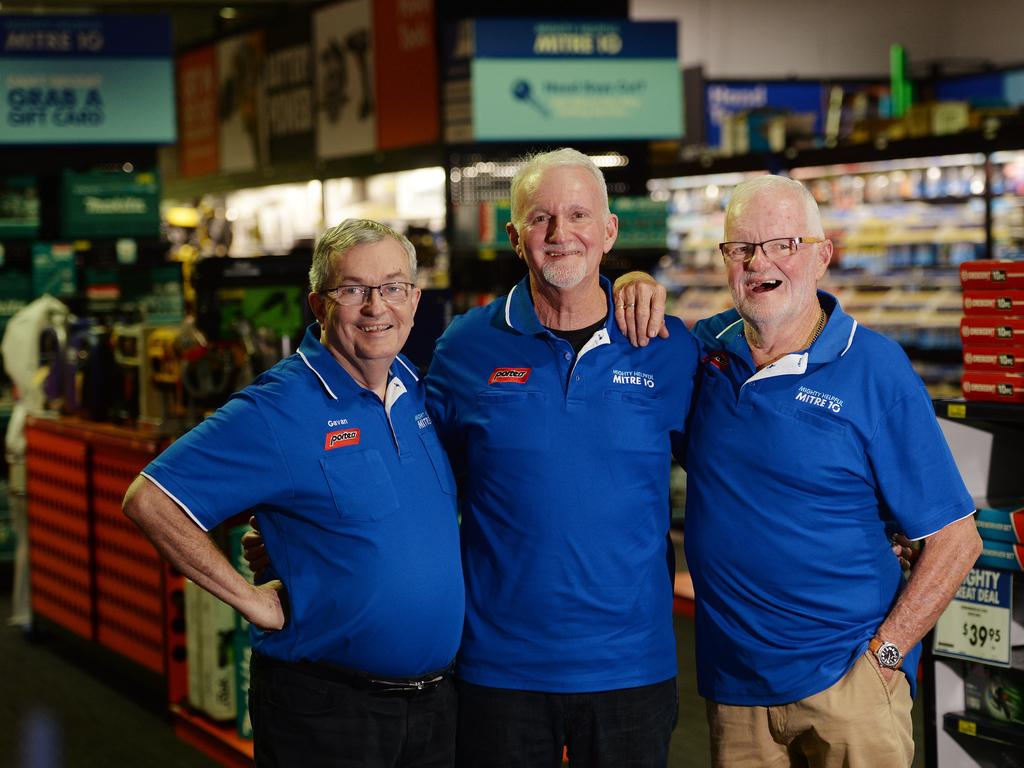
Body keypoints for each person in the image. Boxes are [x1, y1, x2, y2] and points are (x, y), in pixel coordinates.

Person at [622, 174, 982, 768]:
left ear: (821, 256)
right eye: (742, 248)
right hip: (735, 691)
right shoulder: (707, 352)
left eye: (783, 244)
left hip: (849, 690)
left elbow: (954, 539)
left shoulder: (874, 370)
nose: (760, 262)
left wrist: (883, 660)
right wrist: (633, 283)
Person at [122, 219, 464, 768]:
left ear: (415, 298)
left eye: (393, 287)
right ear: (317, 304)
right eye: (352, 290)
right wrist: (250, 599)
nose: (377, 307)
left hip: (436, 709)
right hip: (329, 712)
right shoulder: (278, 408)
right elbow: (150, 500)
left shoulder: (417, 388)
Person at [423, 147, 701, 767]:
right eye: (541, 218)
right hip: (500, 668)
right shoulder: (465, 348)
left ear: (609, 232)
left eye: (578, 216)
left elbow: (739, 466)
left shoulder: (666, 346)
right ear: (515, 236)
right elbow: (417, 481)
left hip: (632, 666)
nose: (560, 234)